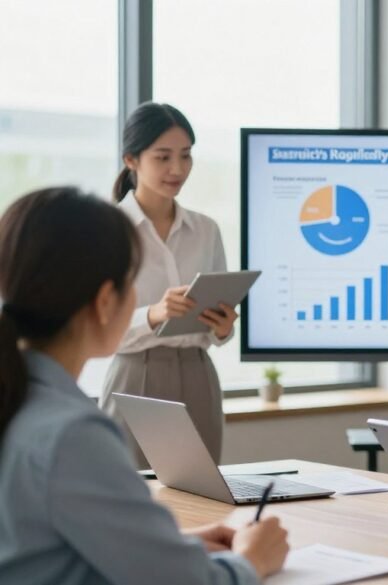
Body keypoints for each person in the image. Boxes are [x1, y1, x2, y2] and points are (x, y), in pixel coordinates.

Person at [0, 187, 289, 584]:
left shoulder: (20, 402)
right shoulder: (71, 435)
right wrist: (252, 561)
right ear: (105, 301)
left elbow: (42, 550)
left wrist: (172, 546)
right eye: (131, 281)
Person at [100, 102, 236, 465]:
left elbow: (217, 327)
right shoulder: (108, 229)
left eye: (186, 156)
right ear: (131, 159)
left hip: (198, 374)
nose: (177, 169)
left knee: (201, 498)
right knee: (130, 495)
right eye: (163, 157)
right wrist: (154, 314)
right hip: (135, 373)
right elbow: (96, 326)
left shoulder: (206, 230)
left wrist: (223, 328)